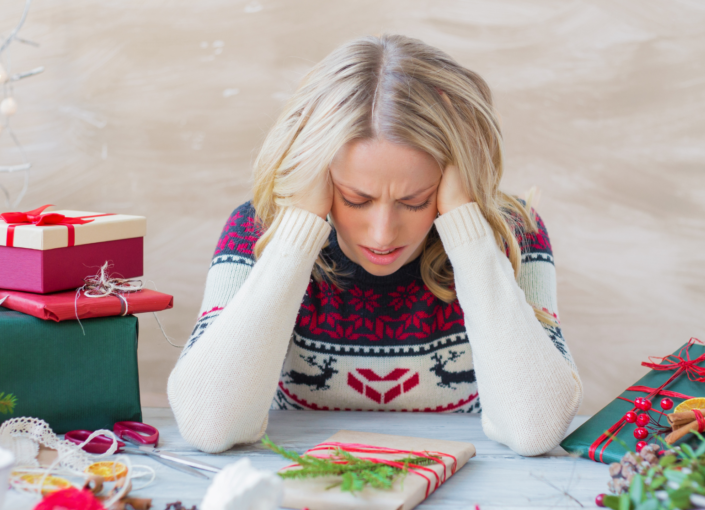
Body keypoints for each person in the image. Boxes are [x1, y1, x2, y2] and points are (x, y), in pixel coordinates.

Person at [168, 34, 581, 456]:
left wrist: (466, 225)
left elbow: (535, 428)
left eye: (415, 201)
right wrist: (298, 229)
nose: (383, 234)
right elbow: (208, 423)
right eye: (356, 199)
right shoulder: (257, 231)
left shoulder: (514, 233)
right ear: (321, 176)